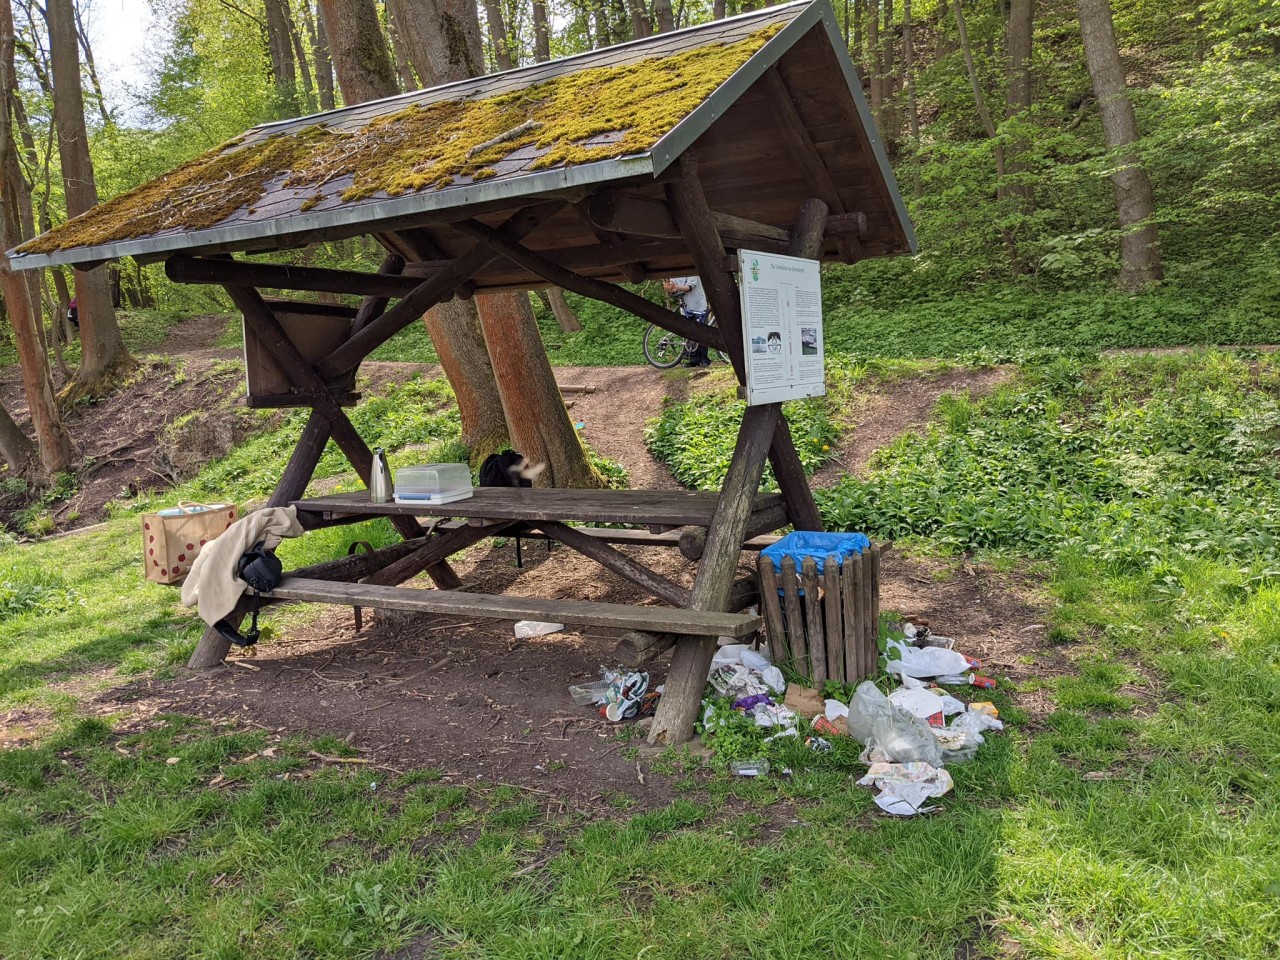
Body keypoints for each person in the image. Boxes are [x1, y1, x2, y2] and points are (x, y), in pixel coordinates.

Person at [662, 276, 711, 368]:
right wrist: (669, 288)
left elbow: (689, 287)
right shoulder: (674, 275)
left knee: (701, 332)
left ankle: (704, 358)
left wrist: (674, 287)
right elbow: (675, 291)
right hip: (685, 307)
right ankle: (692, 359)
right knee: (688, 333)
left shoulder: (691, 272)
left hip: (698, 305)